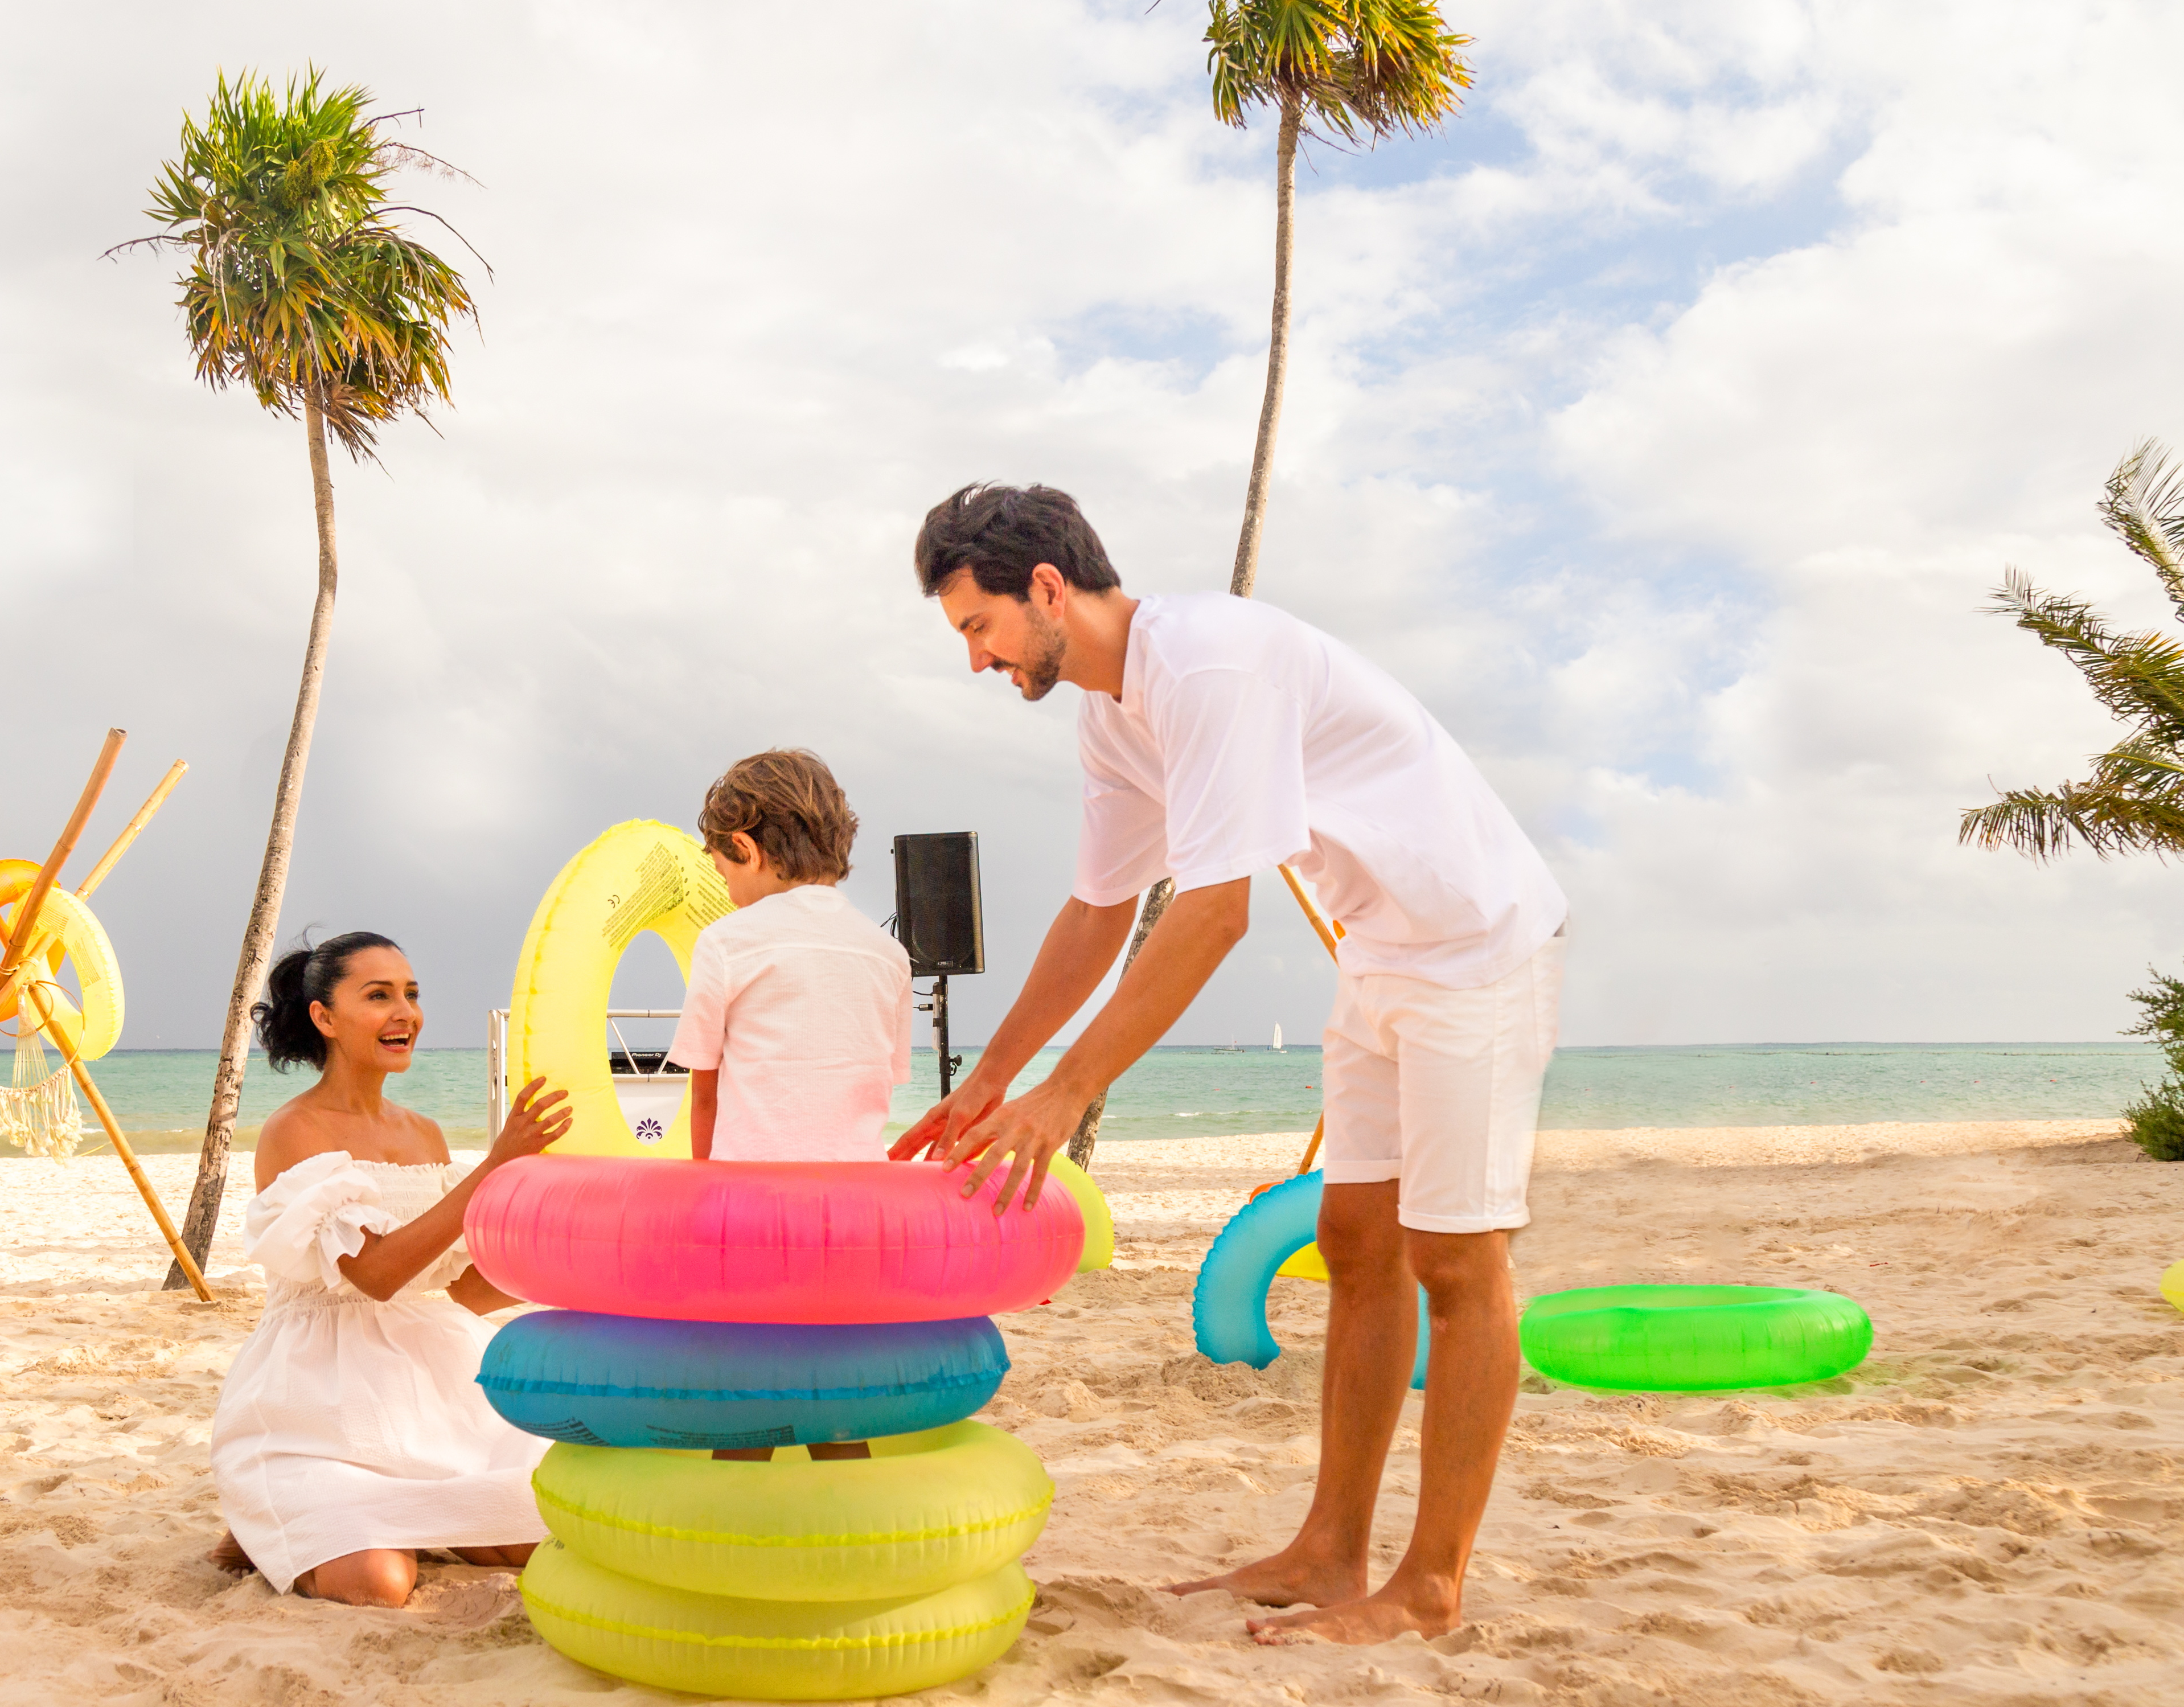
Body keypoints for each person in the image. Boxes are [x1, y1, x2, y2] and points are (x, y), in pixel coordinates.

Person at [889, 482, 1566, 1646]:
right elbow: (1102, 911)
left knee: (1456, 1262)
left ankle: (1432, 1586)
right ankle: (1333, 1548)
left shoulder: (1207, 663)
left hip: (1475, 943)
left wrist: (1071, 1091)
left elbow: (1213, 916)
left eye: (977, 627)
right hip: (1383, 954)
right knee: (1357, 1243)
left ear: (1046, 590)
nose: (976, 660)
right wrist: (996, 1075)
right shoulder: (1117, 715)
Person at [210, 932, 574, 1607]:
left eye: (411, 994)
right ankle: (274, 1514)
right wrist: (494, 1165)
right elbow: (374, 1276)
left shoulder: (425, 1133)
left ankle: (404, 1515)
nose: (405, 1012)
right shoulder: (296, 1130)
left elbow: (458, 1288)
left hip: (432, 1387)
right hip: (322, 1401)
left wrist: (546, 1236)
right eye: (378, 996)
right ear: (325, 1018)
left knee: (545, 1535)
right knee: (379, 1587)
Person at [668, 748, 915, 1164]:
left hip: (755, 1201)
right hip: (858, 1199)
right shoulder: (891, 956)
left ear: (746, 850)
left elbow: (705, 1100)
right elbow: (879, 1088)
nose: (728, 892)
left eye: (723, 873)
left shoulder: (725, 943)